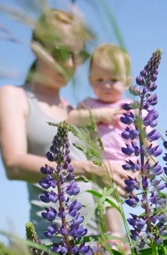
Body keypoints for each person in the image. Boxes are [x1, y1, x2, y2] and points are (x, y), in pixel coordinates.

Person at [0, 9, 129, 243]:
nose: (69, 64)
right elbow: (14, 165)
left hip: (104, 242)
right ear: (37, 48)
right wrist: (90, 168)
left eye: (78, 55)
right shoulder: (14, 96)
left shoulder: (76, 111)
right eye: (59, 53)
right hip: (57, 242)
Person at [67, 44, 133, 242]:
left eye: (113, 80)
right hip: (99, 164)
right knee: (103, 199)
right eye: (99, 80)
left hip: (126, 165)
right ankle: (112, 235)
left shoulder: (131, 108)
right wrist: (99, 114)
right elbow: (70, 118)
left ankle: (117, 236)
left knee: (112, 197)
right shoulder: (89, 105)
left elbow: (147, 138)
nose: (106, 85)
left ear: (127, 82)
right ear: (90, 81)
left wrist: (148, 163)